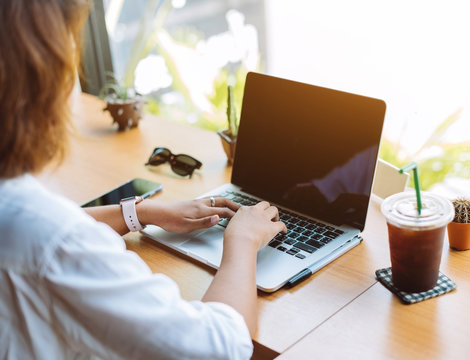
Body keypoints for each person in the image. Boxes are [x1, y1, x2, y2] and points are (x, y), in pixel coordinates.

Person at [0, 1, 286, 359]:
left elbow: (44, 228)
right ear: (42, 80)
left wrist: (140, 212)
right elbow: (219, 347)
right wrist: (242, 242)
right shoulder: (53, 242)